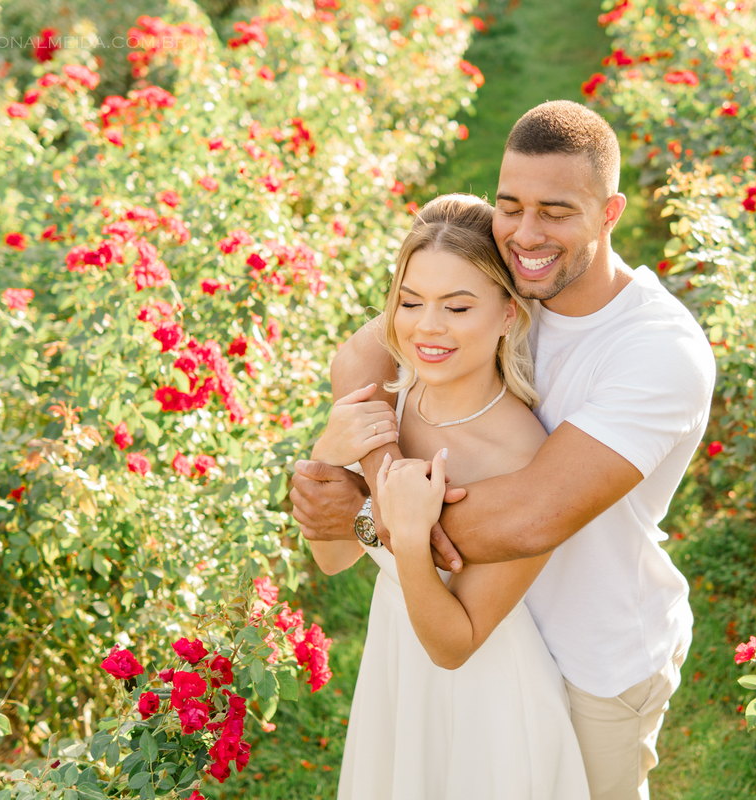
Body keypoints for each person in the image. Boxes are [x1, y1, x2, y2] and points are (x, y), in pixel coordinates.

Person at [294, 100, 716, 800]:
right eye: (510, 204)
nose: (525, 232)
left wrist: (370, 515)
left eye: (555, 211)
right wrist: (387, 471)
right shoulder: (502, 278)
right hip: (474, 620)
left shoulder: (658, 353)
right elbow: (361, 357)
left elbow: (530, 518)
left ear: (609, 214)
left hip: (593, 653)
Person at [308, 193, 590, 799]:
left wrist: (409, 539)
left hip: (485, 700)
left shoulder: (519, 457)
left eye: (458, 306)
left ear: (509, 313)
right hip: (395, 668)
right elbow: (331, 559)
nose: (427, 327)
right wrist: (329, 454)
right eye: (410, 303)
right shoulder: (390, 402)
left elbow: (454, 646)